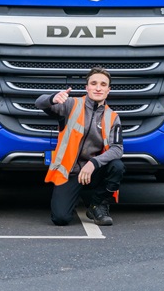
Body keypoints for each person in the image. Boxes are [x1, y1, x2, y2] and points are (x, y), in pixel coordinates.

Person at [36, 67, 125, 226]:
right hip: (70, 172)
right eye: (94, 83)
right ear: (87, 87)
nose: (98, 88)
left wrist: (94, 163)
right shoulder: (71, 104)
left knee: (117, 166)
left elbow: (117, 149)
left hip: (94, 171)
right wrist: (52, 99)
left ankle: (97, 205)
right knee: (60, 218)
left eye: (103, 84)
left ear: (108, 90)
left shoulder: (113, 117)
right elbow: (39, 103)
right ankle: (73, 196)